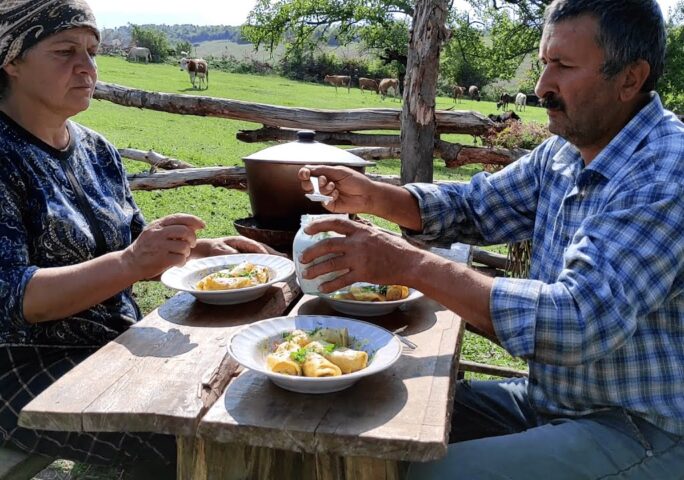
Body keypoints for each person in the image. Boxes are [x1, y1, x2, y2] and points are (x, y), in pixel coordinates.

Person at [298, 0, 684, 477]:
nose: (542, 86)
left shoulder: (666, 173)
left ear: (630, 78)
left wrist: (410, 264)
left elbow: (577, 321)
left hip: (637, 428)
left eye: (563, 66)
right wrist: (377, 196)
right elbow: (474, 207)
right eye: (545, 64)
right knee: (375, 423)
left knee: (422, 473)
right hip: (552, 402)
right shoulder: (564, 154)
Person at [0, 1, 278, 476]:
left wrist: (204, 252)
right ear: (11, 60)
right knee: (196, 438)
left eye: (91, 50)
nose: (86, 67)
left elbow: (136, 242)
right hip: (24, 370)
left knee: (248, 388)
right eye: (65, 51)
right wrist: (132, 262)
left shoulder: (96, 150)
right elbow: (17, 297)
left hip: (115, 344)